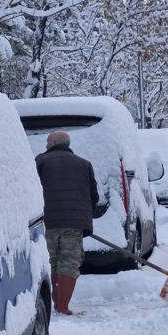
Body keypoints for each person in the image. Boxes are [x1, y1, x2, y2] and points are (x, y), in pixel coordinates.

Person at [36, 131, 99, 315]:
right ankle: (62, 305)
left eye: (48, 140)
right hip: (73, 224)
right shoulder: (84, 164)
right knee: (69, 262)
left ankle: (57, 303)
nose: (46, 143)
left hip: (47, 222)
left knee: (52, 261)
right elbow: (94, 196)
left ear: (55, 142)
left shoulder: (40, 161)